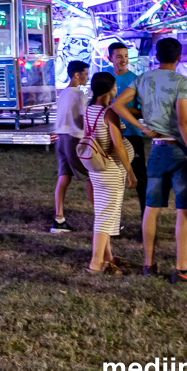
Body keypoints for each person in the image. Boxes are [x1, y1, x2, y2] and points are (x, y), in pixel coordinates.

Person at [113, 37, 187, 284]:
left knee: (151, 209)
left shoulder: (143, 79)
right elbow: (184, 121)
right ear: (179, 57)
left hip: (156, 150)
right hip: (179, 151)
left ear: (156, 56)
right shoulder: (180, 81)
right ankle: (182, 268)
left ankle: (149, 264)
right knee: (184, 210)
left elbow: (118, 105)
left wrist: (142, 127)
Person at [83, 72, 136, 274]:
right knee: (106, 218)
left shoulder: (89, 110)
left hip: (97, 171)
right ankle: (96, 263)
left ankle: (108, 257)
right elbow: (118, 145)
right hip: (111, 171)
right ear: (109, 90)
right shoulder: (109, 113)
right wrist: (130, 171)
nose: (116, 90)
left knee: (103, 214)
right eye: (115, 87)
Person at [51, 60, 91, 234]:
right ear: (77, 74)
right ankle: (103, 219)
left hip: (60, 139)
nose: (87, 78)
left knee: (64, 177)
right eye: (85, 74)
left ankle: (59, 219)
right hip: (74, 139)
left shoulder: (64, 94)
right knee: (90, 176)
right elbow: (83, 119)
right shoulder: (78, 94)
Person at [109, 42, 148, 217]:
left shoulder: (136, 80)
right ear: (110, 58)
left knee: (140, 178)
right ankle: (111, 221)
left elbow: (143, 112)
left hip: (132, 135)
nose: (123, 60)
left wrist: (120, 108)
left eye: (125, 56)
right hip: (109, 134)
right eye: (119, 56)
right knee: (111, 179)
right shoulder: (106, 79)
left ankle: (146, 219)